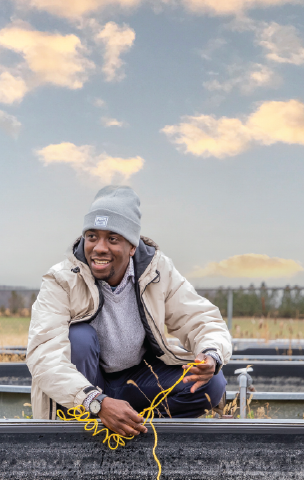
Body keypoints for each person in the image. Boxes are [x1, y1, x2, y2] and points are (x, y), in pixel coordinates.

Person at [27, 185, 231, 434]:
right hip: (85, 391)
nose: (99, 248)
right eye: (92, 236)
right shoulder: (61, 279)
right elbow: (45, 356)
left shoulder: (157, 271)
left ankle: (134, 429)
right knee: (78, 338)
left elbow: (201, 318)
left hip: (138, 378)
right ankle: (85, 434)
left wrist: (210, 354)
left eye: (112, 239)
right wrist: (95, 401)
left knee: (211, 383)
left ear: (132, 246)